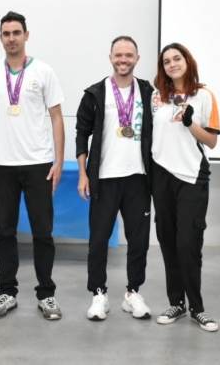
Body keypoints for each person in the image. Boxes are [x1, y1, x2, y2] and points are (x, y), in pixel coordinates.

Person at [0, 11, 65, 320]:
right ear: (0, 38)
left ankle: (47, 294)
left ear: (26, 35)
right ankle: (7, 292)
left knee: (43, 232)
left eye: (16, 32)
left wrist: (58, 160)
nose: (11, 38)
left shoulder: (43, 71)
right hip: (2, 165)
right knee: (5, 232)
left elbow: (56, 117)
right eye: (6, 33)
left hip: (38, 163)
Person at [75, 36, 153, 321]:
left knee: (138, 241)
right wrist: (83, 173)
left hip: (138, 178)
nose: (123, 60)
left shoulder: (148, 92)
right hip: (104, 178)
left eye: (128, 55)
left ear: (137, 58)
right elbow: (81, 134)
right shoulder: (95, 93)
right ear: (110, 57)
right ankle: (99, 294)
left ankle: (133, 293)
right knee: (98, 240)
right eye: (118, 55)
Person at [150, 43, 220, 332]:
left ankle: (198, 308)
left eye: (176, 58)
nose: (172, 64)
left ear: (187, 61)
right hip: (161, 175)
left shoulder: (204, 95)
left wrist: (191, 123)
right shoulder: (157, 96)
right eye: (166, 61)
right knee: (167, 240)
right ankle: (177, 303)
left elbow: (211, 141)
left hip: (192, 176)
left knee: (188, 243)